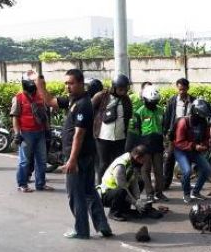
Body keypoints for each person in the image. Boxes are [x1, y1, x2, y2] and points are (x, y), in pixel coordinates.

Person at [35, 70, 112, 239]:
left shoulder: (84, 104)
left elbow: (79, 134)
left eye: (71, 83)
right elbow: (50, 101)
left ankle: (81, 230)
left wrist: (72, 159)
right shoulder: (72, 100)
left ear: (81, 83)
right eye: (66, 83)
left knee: (75, 194)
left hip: (79, 157)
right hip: (83, 156)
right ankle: (102, 225)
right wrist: (40, 85)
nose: (67, 87)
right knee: (89, 192)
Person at [11, 77, 53, 192]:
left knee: (41, 160)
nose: (32, 92)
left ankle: (41, 184)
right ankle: (22, 184)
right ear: (25, 89)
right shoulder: (18, 98)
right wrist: (17, 133)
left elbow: (44, 115)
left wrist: (47, 130)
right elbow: (15, 117)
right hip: (26, 133)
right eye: (30, 90)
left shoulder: (39, 96)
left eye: (34, 90)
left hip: (40, 132)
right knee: (24, 161)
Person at [92, 74, 133, 184]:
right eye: (120, 89)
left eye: (125, 89)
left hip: (120, 137)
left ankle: (114, 185)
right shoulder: (101, 96)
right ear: (114, 88)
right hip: (103, 137)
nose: (123, 91)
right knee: (103, 163)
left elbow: (129, 116)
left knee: (117, 163)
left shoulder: (126, 100)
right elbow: (90, 111)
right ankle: (100, 186)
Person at [130, 85, 167, 202]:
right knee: (145, 170)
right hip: (144, 144)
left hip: (158, 143)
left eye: (155, 102)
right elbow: (135, 130)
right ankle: (150, 193)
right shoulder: (139, 112)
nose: (153, 104)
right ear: (144, 99)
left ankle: (159, 192)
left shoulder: (161, 110)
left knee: (159, 170)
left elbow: (164, 126)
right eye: (151, 102)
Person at [173, 98, 211, 204]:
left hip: (194, 150)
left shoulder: (203, 123)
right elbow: (179, 142)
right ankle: (186, 193)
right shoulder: (183, 122)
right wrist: (195, 146)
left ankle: (196, 192)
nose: (203, 118)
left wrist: (205, 145)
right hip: (181, 150)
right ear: (196, 112)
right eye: (202, 115)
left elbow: (206, 137)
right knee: (187, 171)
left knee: (207, 169)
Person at [98, 145, 148, 221]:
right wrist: (135, 203)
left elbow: (134, 182)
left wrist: (138, 199)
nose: (144, 163)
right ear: (137, 157)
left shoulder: (132, 161)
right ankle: (113, 213)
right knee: (122, 191)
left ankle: (124, 209)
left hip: (119, 190)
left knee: (140, 182)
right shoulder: (120, 166)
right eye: (143, 160)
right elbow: (122, 187)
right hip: (106, 194)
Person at [162, 78, 195, 190]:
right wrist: (166, 132)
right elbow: (167, 117)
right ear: (177, 88)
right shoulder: (172, 100)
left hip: (188, 135)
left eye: (184, 89)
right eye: (180, 89)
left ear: (187, 88)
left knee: (187, 159)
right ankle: (166, 183)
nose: (182, 92)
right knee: (169, 158)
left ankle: (186, 183)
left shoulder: (193, 101)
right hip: (174, 134)